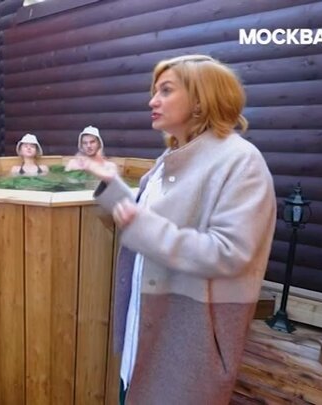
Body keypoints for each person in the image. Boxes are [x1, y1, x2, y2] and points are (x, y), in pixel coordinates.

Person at [74, 55, 276, 404]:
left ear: (200, 99)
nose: (152, 101)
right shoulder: (168, 159)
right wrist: (110, 184)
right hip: (144, 328)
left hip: (188, 342)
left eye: (166, 91)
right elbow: (141, 219)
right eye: (154, 92)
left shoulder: (241, 162)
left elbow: (228, 254)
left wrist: (138, 224)